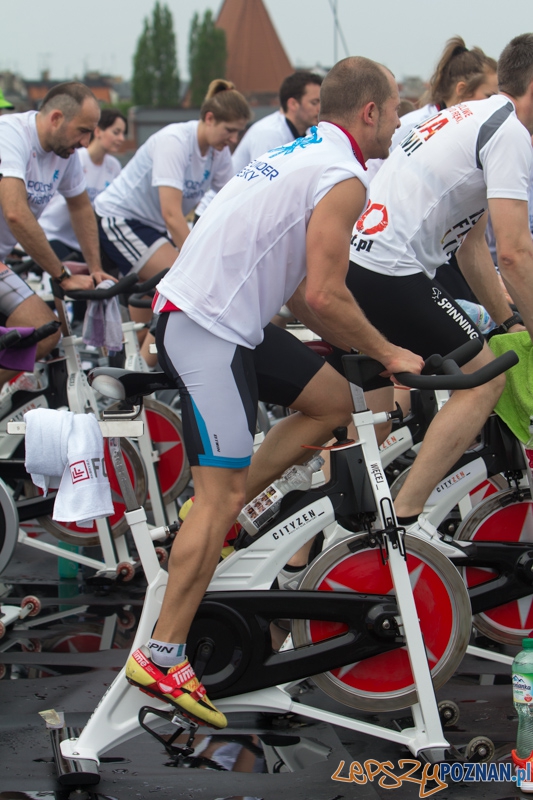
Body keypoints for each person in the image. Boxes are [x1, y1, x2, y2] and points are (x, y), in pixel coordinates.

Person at [124, 56, 415, 729]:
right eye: (395, 109)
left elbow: (295, 289)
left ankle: (215, 526)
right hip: (206, 331)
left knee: (333, 403)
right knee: (218, 495)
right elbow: (322, 293)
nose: (398, 123)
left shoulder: (307, 150)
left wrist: (355, 347)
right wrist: (388, 351)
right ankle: (162, 654)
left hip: (233, 324)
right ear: (368, 112)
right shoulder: (341, 175)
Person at [325, 33, 533, 537]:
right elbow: (514, 253)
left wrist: (510, 320)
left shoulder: (478, 117)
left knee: (367, 412)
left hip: (365, 266)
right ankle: (405, 520)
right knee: (486, 378)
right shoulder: (509, 134)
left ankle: (310, 537)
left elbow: (472, 251)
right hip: (393, 271)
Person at [0, 82, 111, 388]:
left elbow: (80, 207)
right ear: (56, 118)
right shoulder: (10, 134)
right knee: (41, 328)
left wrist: (96, 268)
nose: (86, 142)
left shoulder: (65, 154)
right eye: (83, 130)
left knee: (46, 332)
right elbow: (15, 213)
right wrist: (62, 276)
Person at [95, 80, 251, 285]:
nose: (234, 139)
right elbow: (171, 215)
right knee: (185, 279)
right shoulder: (175, 141)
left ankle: (140, 319)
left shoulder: (218, 151)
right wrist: (201, 261)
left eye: (238, 132)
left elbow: (233, 204)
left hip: (152, 225)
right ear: (210, 118)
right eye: (229, 130)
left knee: (153, 293)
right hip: (119, 219)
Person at [40, 108, 127, 261]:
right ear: (98, 131)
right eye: (116, 132)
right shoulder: (76, 158)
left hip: (81, 242)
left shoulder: (114, 166)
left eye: (123, 134)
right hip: (52, 234)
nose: (121, 138)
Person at [231, 71, 323, 173]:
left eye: (322, 102)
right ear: (293, 104)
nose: (320, 108)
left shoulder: (310, 133)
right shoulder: (268, 134)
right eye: (314, 103)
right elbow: (263, 184)